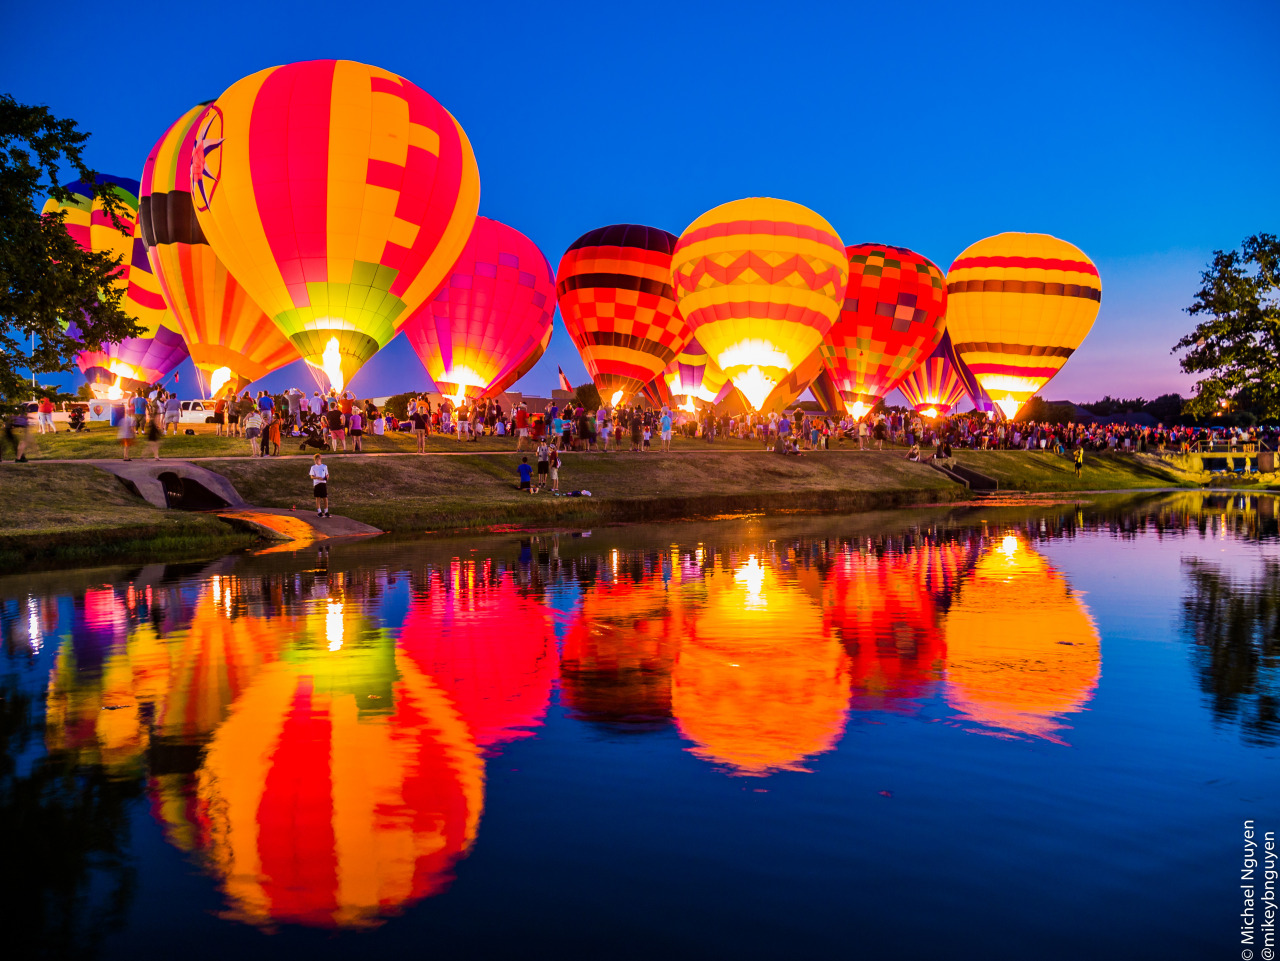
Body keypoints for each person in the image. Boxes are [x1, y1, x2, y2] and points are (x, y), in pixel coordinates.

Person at [310, 453, 330, 517]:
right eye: (315, 460)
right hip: (317, 484)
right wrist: (317, 478)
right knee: (318, 498)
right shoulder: (313, 467)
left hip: (323, 483)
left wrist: (326, 478)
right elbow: (312, 476)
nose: (316, 461)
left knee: (325, 498)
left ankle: (326, 511)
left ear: (320, 459)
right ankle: (319, 512)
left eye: (318, 459)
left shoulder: (324, 466)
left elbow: (327, 474)